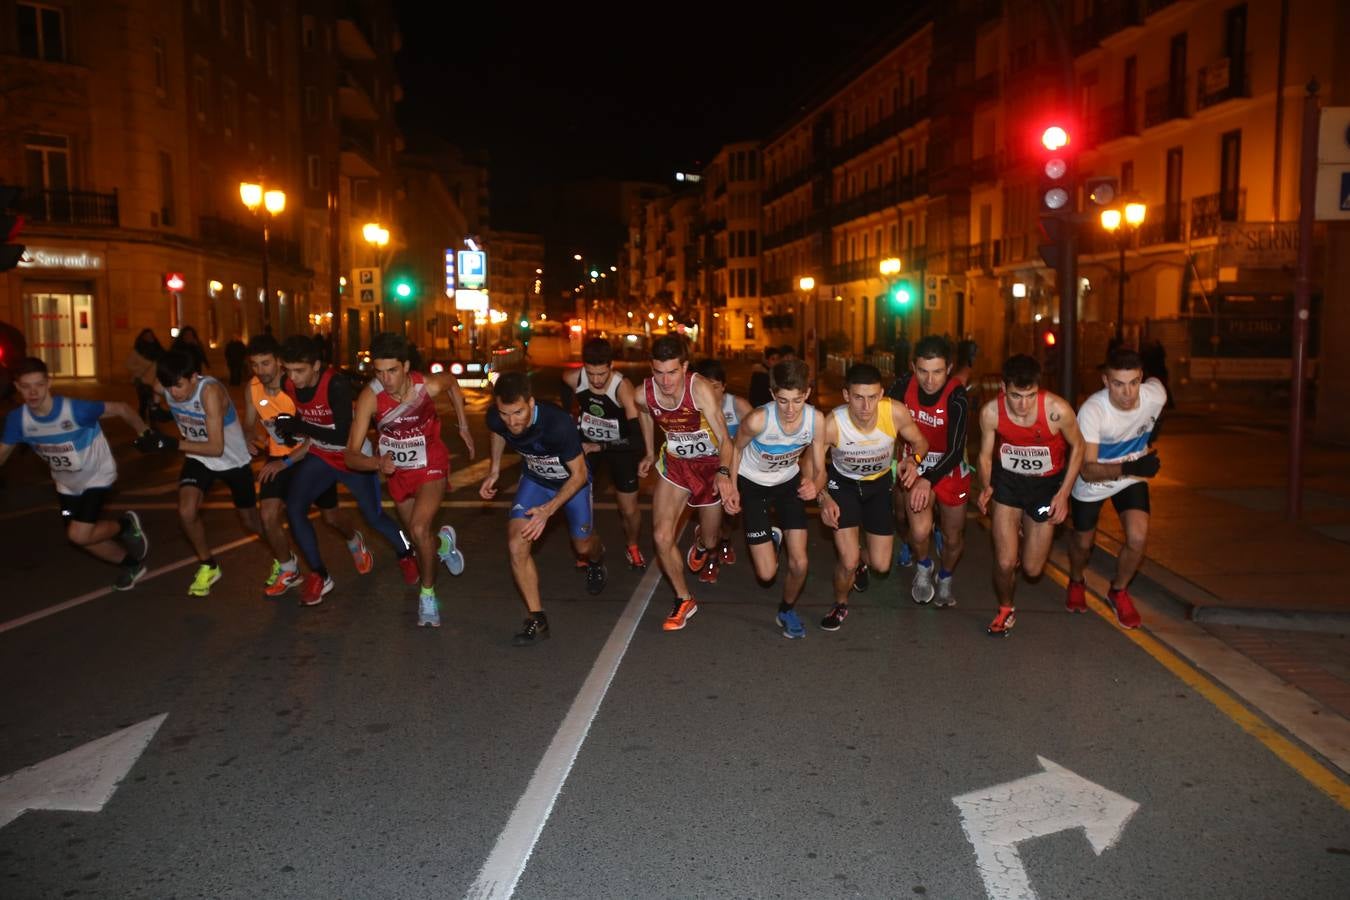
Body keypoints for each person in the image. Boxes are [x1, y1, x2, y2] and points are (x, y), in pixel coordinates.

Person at [272, 335, 418, 605]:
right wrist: (286, 430)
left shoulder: (335, 384)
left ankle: (407, 552)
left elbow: (341, 436)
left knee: (374, 517)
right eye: (288, 370)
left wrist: (297, 426)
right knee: (294, 508)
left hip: (352, 456)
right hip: (321, 455)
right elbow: (302, 421)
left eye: (300, 370)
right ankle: (319, 574)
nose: (293, 377)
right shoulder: (287, 383)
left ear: (316, 366)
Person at [344, 332, 474, 628]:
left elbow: (452, 384)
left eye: (391, 370)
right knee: (418, 537)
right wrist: (376, 462)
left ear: (405, 366)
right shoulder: (370, 398)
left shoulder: (426, 386)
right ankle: (443, 544)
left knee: (418, 526)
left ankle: (427, 596)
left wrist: (463, 426)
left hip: (431, 462)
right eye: (378, 371)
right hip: (398, 471)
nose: (385, 379)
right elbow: (351, 455)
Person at [0, 357, 162, 590]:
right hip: (66, 484)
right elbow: (3, 455)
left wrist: (145, 433)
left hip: (97, 476)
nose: (33, 392)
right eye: (26, 386)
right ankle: (132, 564)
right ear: (17, 387)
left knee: (78, 534)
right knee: (80, 536)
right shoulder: (18, 420)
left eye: (38, 385)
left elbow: (122, 408)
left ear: (49, 383)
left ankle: (124, 525)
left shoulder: (74, 410)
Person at [242, 334, 373, 600]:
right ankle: (289, 569)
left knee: (331, 517)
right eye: (255, 365)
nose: (260, 371)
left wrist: (287, 461)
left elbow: (315, 436)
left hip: (309, 456)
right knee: (268, 515)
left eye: (266, 363)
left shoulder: (294, 388)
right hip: (277, 458)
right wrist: (248, 438)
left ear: (279, 363)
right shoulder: (252, 388)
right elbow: (249, 420)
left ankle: (353, 539)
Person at [481, 372, 606, 645]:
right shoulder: (497, 417)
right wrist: (493, 470)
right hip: (535, 481)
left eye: (518, 412)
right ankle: (537, 618)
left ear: (531, 402)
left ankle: (597, 559)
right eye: (505, 413)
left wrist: (548, 511)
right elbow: (498, 432)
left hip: (572, 485)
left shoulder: (557, 424)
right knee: (517, 545)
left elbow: (579, 475)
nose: (512, 422)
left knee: (584, 547)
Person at [976, 354, 1085, 636]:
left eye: (1030, 395)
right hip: (1008, 484)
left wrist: (1063, 494)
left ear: (1039, 389)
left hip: (1045, 488)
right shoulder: (991, 412)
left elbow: (1079, 447)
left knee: (1033, 570)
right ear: (1003, 388)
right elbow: (985, 456)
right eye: (1015, 396)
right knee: (1004, 561)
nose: (1023, 405)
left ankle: (1024, 530)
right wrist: (987, 485)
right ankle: (1005, 608)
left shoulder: (1057, 410)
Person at [817, 363, 928, 631]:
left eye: (872, 397)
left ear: (881, 395)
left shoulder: (895, 412)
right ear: (846, 396)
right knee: (847, 561)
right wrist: (824, 499)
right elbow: (813, 470)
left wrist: (913, 461)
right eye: (858, 397)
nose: (866, 406)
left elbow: (921, 442)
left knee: (880, 565)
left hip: (878, 487)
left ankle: (860, 561)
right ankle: (841, 603)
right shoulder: (832, 424)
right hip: (842, 486)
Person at [635, 335, 735, 631]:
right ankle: (683, 599)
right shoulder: (643, 394)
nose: (665, 381)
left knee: (712, 539)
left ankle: (703, 544)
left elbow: (726, 441)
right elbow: (643, 413)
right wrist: (650, 451)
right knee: (662, 536)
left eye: (673, 372)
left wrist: (725, 473)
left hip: (710, 468)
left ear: (685, 367)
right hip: (676, 466)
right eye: (658, 372)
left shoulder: (700, 390)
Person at [1066, 347, 1167, 629]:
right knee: (1082, 544)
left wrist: (1155, 426)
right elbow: (1087, 469)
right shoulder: (1093, 411)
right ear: (1105, 381)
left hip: (1129, 477)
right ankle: (1076, 579)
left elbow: (1160, 386)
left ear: (1141, 379)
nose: (1128, 393)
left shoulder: (1155, 395)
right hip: (1094, 481)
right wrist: (1133, 467)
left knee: (1137, 538)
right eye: (1119, 385)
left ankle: (1118, 590)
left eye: (1134, 383)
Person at [728, 358, 828, 639]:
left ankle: (786, 609)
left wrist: (815, 485)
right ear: (773, 394)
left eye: (797, 400)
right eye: (783, 401)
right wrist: (732, 487)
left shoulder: (815, 419)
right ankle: (772, 535)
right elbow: (735, 450)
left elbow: (820, 469)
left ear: (807, 393)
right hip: (753, 486)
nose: (790, 410)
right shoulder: (759, 419)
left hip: (787, 485)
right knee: (767, 574)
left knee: (800, 563)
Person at [157, 348, 263, 597]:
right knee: (186, 510)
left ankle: (283, 556)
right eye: (168, 386)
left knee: (251, 522)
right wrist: (145, 430)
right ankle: (208, 565)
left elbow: (216, 447)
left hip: (231, 459)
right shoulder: (167, 386)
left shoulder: (210, 392)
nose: (173, 392)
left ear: (194, 377)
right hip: (198, 457)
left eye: (178, 385)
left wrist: (171, 443)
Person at [887, 336, 972, 607]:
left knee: (953, 536)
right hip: (914, 464)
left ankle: (945, 576)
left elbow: (956, 449)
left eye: (937, 372)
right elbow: (882, 420)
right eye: (923, 371)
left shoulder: (957, 396)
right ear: (913, 367)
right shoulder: (901, 386)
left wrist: (929, 479)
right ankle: (924, 567)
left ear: (948, 369)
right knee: (918, 531)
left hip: (949, 468)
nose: (930, 379)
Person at [564, 337, 646, 569]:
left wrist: (602, 446)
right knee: (577, 499)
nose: (597, 380)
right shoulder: (572, 378)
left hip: (620, 446)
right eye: (591, 374)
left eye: (602, 374)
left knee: (628, 509)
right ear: (583, 368)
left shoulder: (622, 388)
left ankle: (632, 545)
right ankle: (587, 545)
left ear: (611, 366)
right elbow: (565, 408)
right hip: (588, 444)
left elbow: (636, 439)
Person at [692, 357, 752, 578]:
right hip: (707, 470)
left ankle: (724, 540)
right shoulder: (693, 406)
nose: (711, 393)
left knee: (730, 517)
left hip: (734, 469)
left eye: (715, 387)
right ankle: (712, 556)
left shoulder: (738, 405)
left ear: (724, 386)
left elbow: (758, 433)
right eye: (706, 387)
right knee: (711, 516)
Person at [129, 328, 167, 423]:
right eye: (146, 336)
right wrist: (142, 369)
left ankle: (153, 424)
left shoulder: (158, 349)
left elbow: (165, 361)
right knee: (144, 403)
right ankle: (142, 423)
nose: (149, 338)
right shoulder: (138, 351)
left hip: (155, 381)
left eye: (150, 336)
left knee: (153, 403)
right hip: (143, 382)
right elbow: (128, 364)